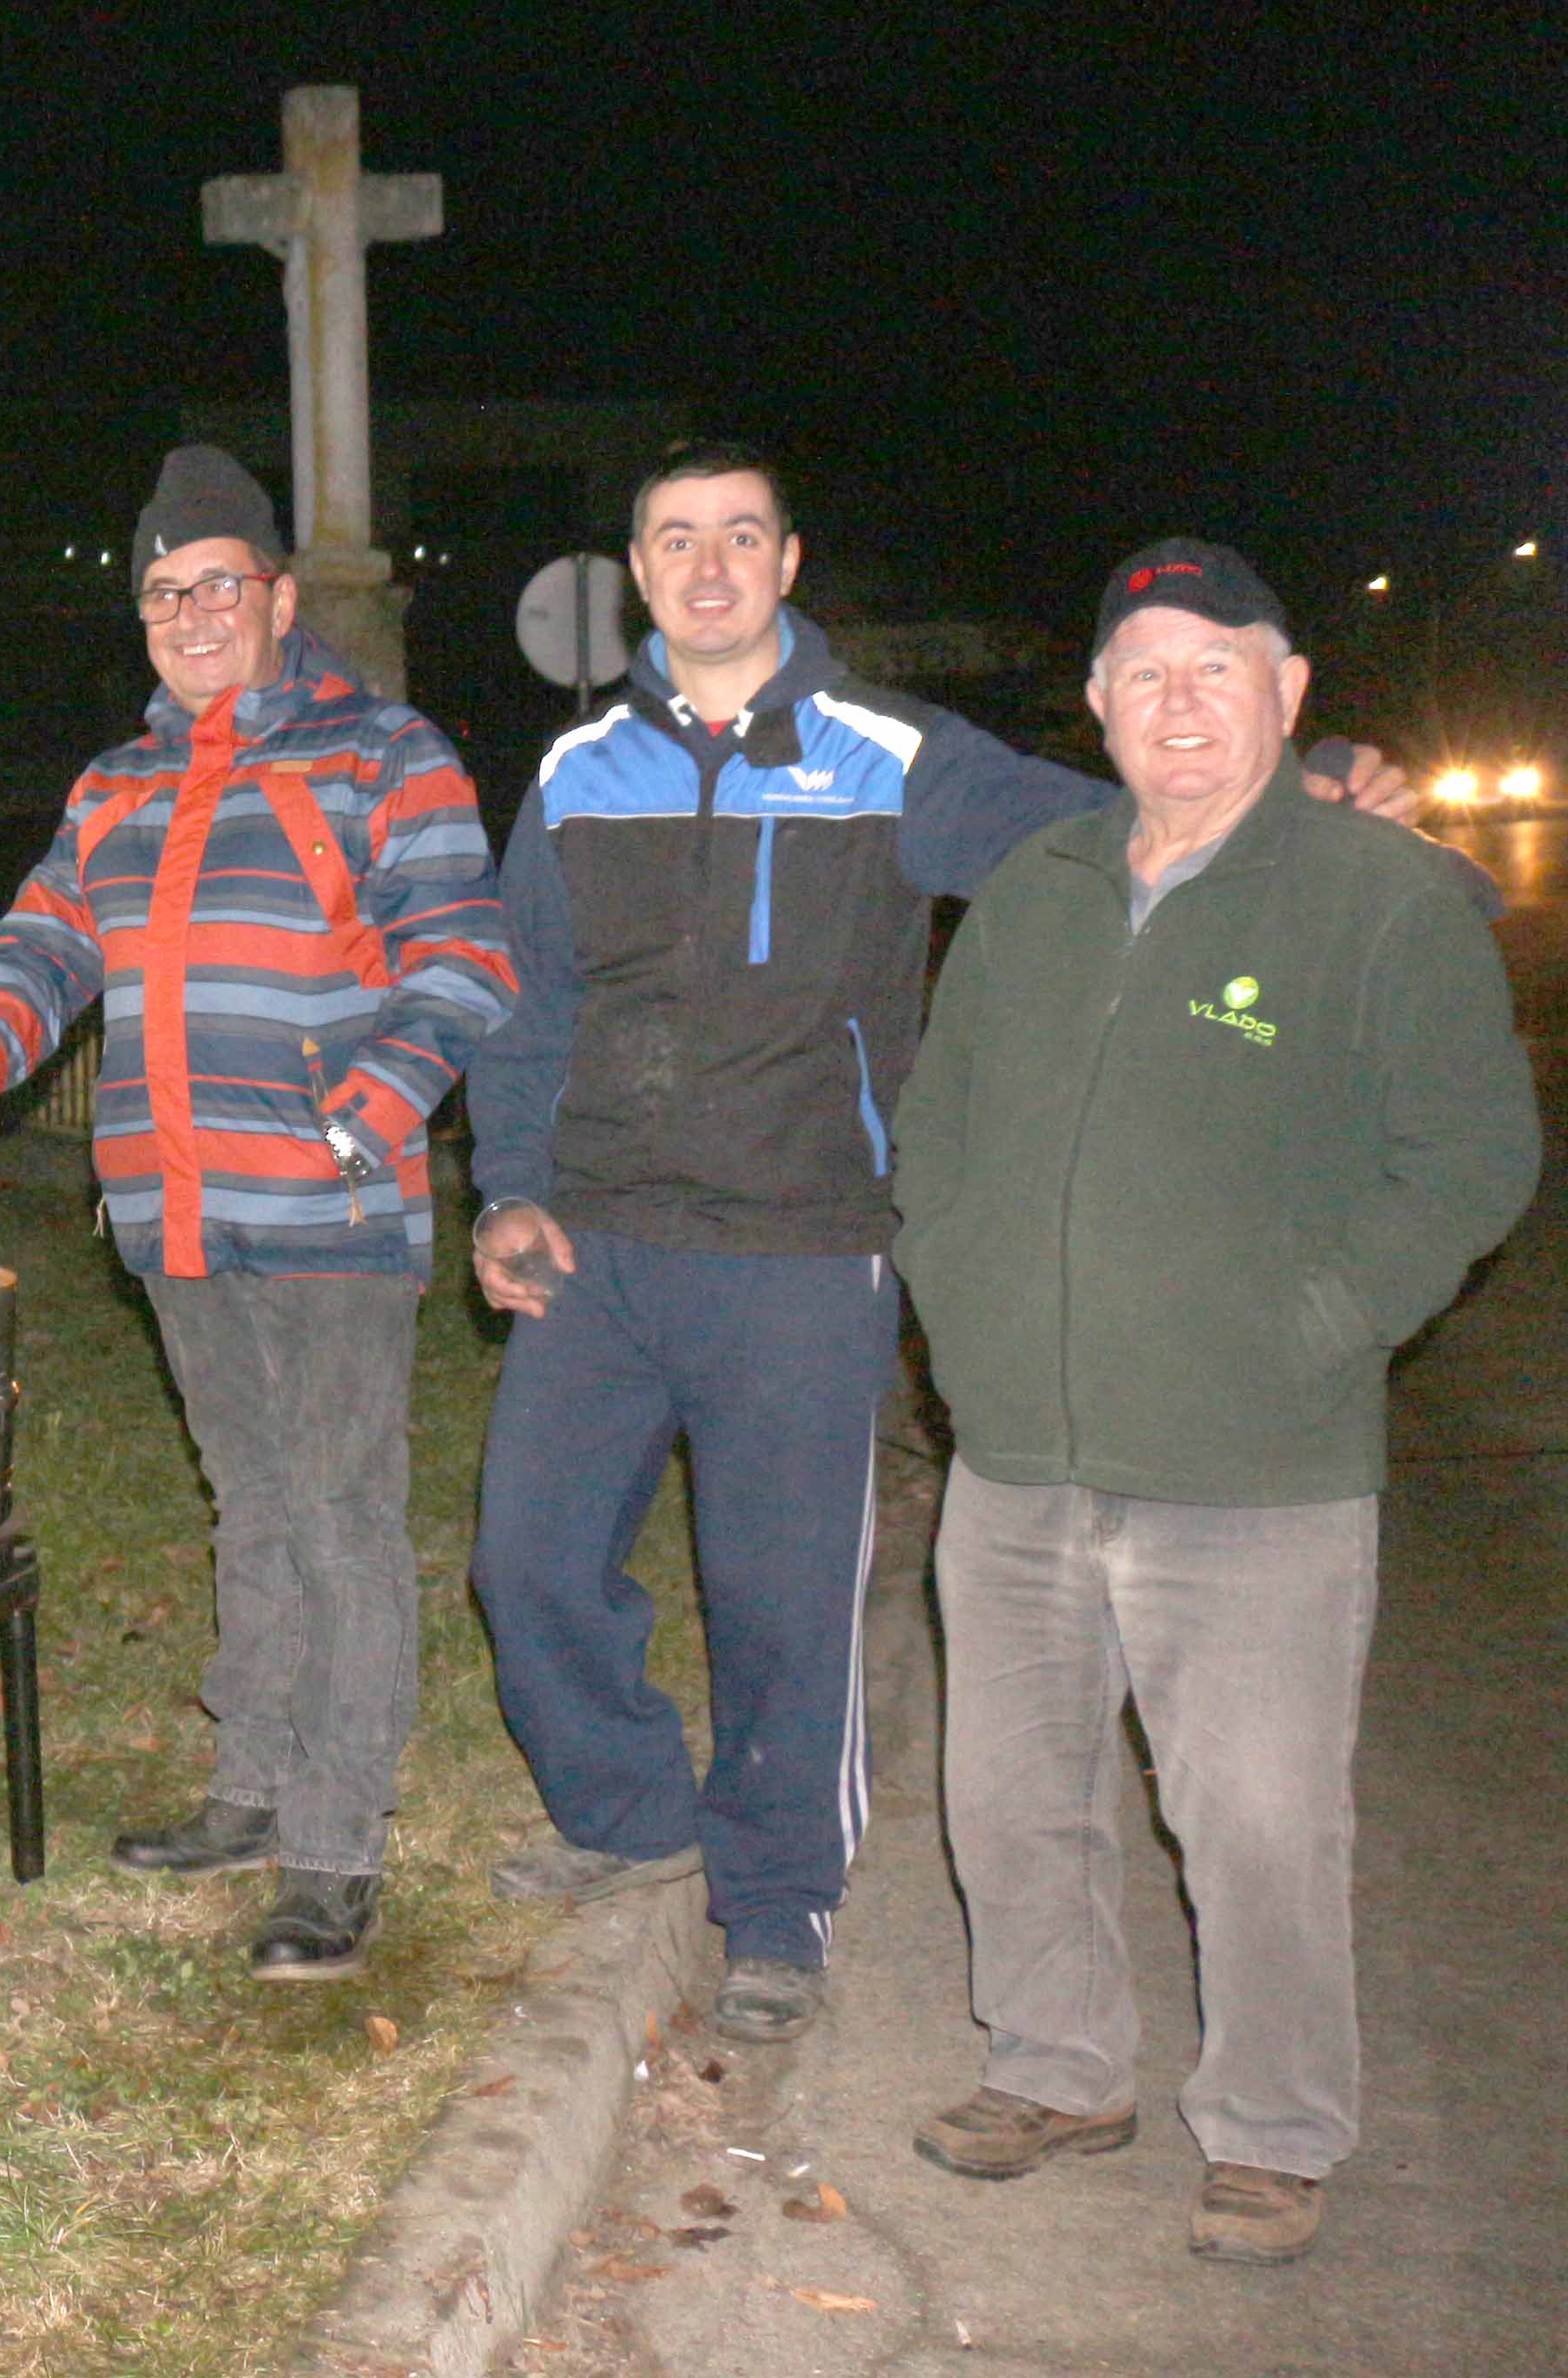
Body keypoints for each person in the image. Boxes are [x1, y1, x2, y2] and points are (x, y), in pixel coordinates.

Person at [462, 446, 1424, 2044]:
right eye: (674, 540)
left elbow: (1114, 817)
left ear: (785, 563)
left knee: (778, 1596)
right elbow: (527, 1003)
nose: (707, 566)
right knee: (525, 1558)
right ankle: (632, 1816)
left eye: (739, 537)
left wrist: (1305, 771)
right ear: (635, 572)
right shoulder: (572, 772)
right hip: (601, 1238)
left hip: (805, 1242)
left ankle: (774, 1904)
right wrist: (505, 1181)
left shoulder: (887, 752)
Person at [888, 539, 1531, 2268]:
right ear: (1096, 706)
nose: (1181, 698)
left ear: (1290, 690)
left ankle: (1269, 2124)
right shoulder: (1034, 888)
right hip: (1018, 1452)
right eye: (1146, 671)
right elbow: (940, 1117)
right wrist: (959, 1307)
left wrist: (1324, 1319)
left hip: (1256, 1472)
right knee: (1011, 1796)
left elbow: (1473, 1156)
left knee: (1254, 1820)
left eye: (1217, 665)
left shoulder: (1381, 895)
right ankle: (1058, 2066)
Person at [0, 445, 512, 1982]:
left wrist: (360, 1113)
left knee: (339, 1508)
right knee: (248, 1496)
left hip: (328, 1212)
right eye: (162, 592)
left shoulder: (383, 751)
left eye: (215, 584)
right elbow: (39, 946)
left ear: (277, 598)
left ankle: (331, 1837)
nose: (187, 613)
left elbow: (465, 960)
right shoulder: (116, 782)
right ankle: (248, 1782)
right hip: (170, 1213)